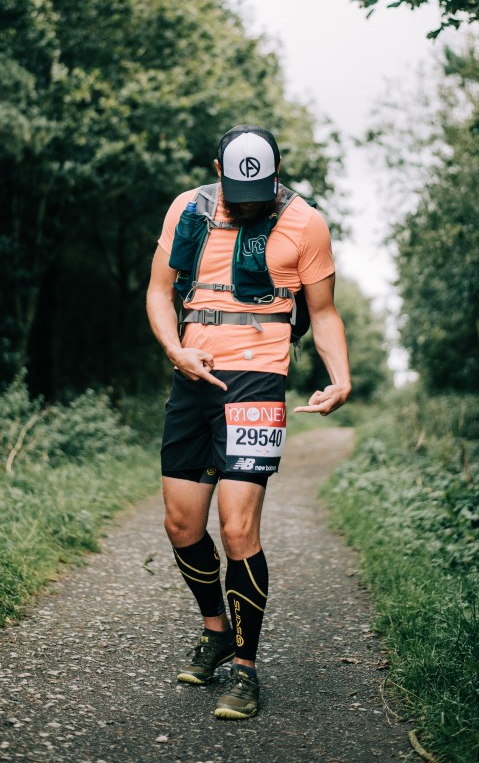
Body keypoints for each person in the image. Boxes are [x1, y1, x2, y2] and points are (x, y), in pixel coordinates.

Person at [146, 123, 351, 720]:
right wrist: (175, 350)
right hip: (193, 374)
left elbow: (324, 312)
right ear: (219, 172)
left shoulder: (306, 223)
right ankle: (215, 631)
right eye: (239, 195)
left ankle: (245, 667)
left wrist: (340, 377)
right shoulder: (187, 209)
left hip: (259, 378)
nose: (249, 205)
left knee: (238, 530)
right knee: (181, 525)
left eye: (259, 196)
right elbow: (159, 292)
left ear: (278, 174)